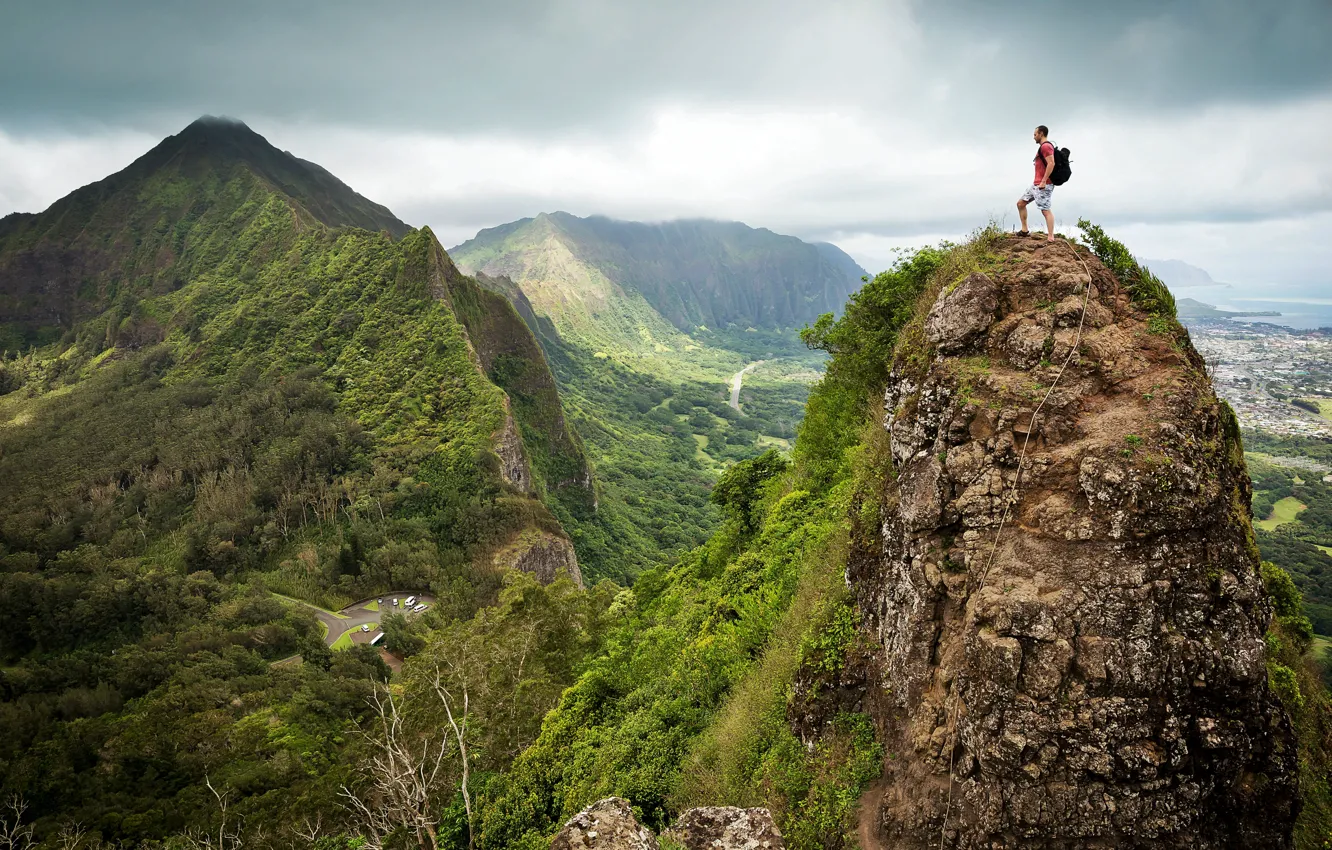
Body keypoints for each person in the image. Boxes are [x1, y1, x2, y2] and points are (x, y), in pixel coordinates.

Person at [1017, 125, 1056, 241]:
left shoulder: (1046, 147)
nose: (1034, 137)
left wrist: (1044, 181)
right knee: (1020, 204)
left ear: (1041, 134)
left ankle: (1050, 237)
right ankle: (1024, 230)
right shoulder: (1042, 148)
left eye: (1035, 134)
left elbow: (1051, 163)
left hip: (1044, 184)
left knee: (1045, 210)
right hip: (1036, 184)